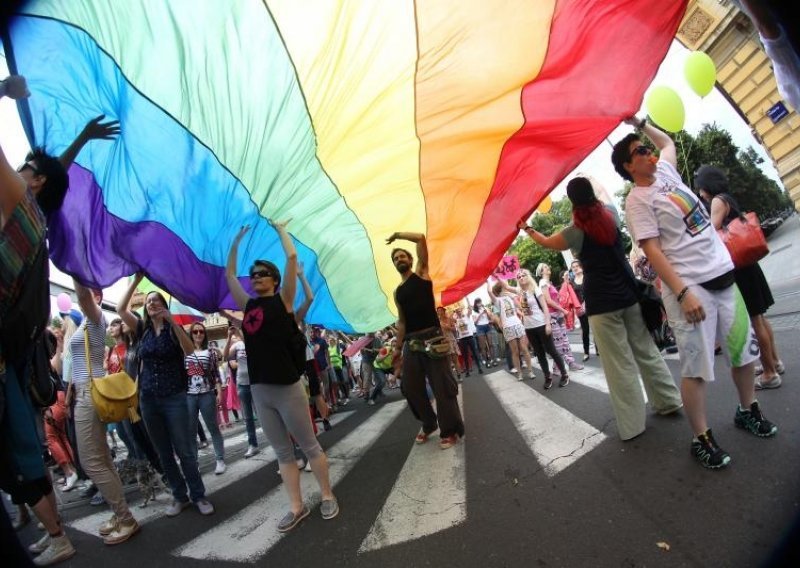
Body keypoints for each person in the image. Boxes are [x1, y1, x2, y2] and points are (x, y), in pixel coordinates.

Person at [615, 115, 778, 468]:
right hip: (691, 290)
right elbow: (653, 250)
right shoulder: (637, 201)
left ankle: (748, 409)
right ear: (629, 167)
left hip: (724, 278)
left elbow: (668, 144)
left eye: (645, 147)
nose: (648, 152)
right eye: (639, 152)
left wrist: (640, 121)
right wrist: (682, 291)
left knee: (744, 353)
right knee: (697, 369)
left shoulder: (667, 175)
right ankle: (701, 437)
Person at [520, 178, 683, 439]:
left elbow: (546, 242)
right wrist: (593, 180)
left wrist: (525, 227)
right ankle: (668, 400)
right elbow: (604, 192)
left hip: (601, 305)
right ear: (593, 196)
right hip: (629, 297)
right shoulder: (611, 214)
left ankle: (632, 427)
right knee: (646, 351)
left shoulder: (574, 231)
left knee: (619, 366)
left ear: (573, 203)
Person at [1, 79, 76, 564]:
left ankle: (57, 535)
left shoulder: (24, 210)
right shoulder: (34, 216)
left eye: (23, 167)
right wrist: (84, 138)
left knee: (19, 453)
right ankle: (54, 533)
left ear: (36, 181)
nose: (16, 168)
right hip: (9, 354)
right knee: (19, 451)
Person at [226, 222, 337, 531]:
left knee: (309, 445)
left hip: (287, 387)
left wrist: (280, 230)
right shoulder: (247, 307)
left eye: (261, 272)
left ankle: (327, 495)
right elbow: (230, 276)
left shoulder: (284, 300)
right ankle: (296, 506)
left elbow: (290, 258)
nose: (256, 276)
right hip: (260, 389)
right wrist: (235, 242)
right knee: (282, 453)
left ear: (274, 280)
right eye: (254, 273)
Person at [118, 274, 215, 515]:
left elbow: (190, 350)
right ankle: (179, 496)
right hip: (148, 399)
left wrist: (171, 320)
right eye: (148, 301)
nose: (151, 303)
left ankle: (199, 495)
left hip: (175, 398)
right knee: (163, 452)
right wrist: (136, 280)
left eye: (156, 300)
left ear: (164, 304)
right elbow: (120, 309)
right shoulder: (141, 330)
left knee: (185, 450)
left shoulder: (174, 330)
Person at [693, 165, 785, 389]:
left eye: (699, 187)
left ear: (706, 185)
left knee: (755, 321)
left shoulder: (717, 201)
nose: (699, 192)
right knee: (761, 318)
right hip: (749, 266)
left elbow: (712, 232)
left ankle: (770, 374)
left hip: (739, 268)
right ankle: (774, 362)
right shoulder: (728, 197)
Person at [69, 280, 141, 543]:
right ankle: (120, 512)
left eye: (93, 291)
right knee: (103, 460)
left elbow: (82, 297)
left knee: (91, 462)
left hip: (90, 393)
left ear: (96, 296)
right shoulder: (84, 324)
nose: (89, 295)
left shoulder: (96, 318)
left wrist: (75, 269)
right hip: (86, 393)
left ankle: (125, 519)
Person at [386, 232, 464, 449]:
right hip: (411, 344)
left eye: (402, 256)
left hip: (434, 338)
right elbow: (402, 322)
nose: (399, 259)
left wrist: (398, 236)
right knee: (410, 387)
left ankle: (450, 431)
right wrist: (396, 349)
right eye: (395, 258)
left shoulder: (422, 274)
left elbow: (421, 239)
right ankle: (429, 423)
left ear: (411, 260)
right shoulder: (397, 292)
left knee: (442, 387)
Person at [515, 269, 569, 389]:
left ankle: (564, 374)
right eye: (519, 276)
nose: (521, 277)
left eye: (524, 275)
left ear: (528, 276)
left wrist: (548, 324)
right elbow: (506, 287)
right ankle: (547, 377)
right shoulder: (519, 292)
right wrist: (495, 275)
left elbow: (545, 307)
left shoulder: (536, 290)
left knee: (551, 351)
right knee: (539, 354)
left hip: (541, 325)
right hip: (529, 328)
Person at [186, 322, 226, 475]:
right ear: (191, 334)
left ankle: (220, 460)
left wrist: (219, 392)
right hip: (189, 395)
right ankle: (194, 464)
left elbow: (215, 374)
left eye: (201, 332)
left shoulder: (210, 352)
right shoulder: (184, 351)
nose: (198, 334)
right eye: (195, 332)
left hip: (207, 393)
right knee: (190, 432)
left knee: (213, 427)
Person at [535, 263, 583, 372]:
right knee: (559, 343)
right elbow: (548, 301)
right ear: (542, 272)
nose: (548, 268)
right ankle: (558, 367)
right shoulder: (543, 283)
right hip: (552, 316)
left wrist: (561, 311)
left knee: (564, 341)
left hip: (558, 315)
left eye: (547, 266)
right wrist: (563, 310)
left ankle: (569, 364)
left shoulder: (549, 283)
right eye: (546, 267)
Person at [222, 325, 260, 458]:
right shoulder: (237, 345)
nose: (235, 334)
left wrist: (239, 332)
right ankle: (253, 445)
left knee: (263, 414)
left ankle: (275, 442)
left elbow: (252, 345)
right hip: (242, 384)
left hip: (256, 383)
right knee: (248, 417)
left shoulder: (249, 340)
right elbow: (225, 355)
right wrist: (228, 338)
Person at [486, 280, 534, 381]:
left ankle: (530, 371)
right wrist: (487, 282)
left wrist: (513, 295)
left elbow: (521, 306)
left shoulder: (511, 297)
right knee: (515, 351)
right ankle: (519, 373)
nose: (506, 286)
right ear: (501, 288)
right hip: (508, 327)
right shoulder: (497, 300)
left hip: (517, 324)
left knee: (524, 349)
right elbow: (490, 292)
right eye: (504, 286)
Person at [570, 260, 593, 361]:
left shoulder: (587, 276)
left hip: (592, 305)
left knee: (596, 328)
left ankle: (598, 348)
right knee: (585, 330)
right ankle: (586, 352)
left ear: (581, 266)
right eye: (573, 267)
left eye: (577, 266)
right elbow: (572, 296)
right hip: (581, 309)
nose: (575, 268)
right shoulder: (571, 282)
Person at [472, 298, 497, 367]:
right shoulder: (474, 311)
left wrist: (487, 313)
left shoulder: (484, 308)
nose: (479, 304)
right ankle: (487, 362)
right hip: (480, 327)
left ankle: (493, 360)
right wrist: (481, 314)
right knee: (483, 346)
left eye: (480, 302)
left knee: (491, 344)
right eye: (478, 303)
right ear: (475, 304)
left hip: (487, 326)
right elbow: (475, 322)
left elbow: (489, 318)